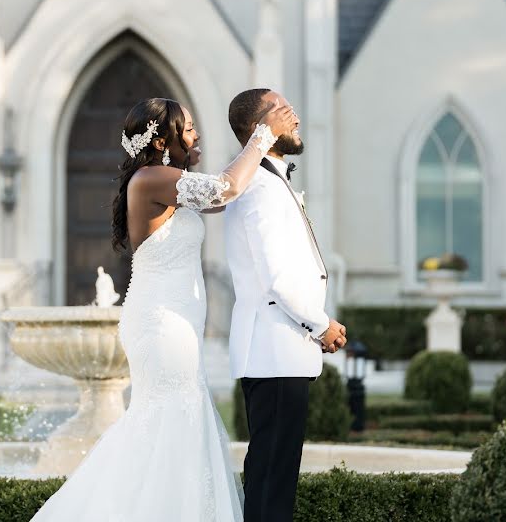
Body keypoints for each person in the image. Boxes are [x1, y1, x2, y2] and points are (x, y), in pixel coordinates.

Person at [28, 96, 297, 521]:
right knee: (171, 423)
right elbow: (225, 187)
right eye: (188, 128)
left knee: (178, 427)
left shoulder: (166, 180)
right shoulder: (151, 178)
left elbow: (224, 197)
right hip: (162, 323)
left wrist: (250, 156)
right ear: (162, 140)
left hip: (176, 322)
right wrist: (262, 135)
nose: (196, 135)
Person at [224, 88, 347, 522]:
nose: (294, 116)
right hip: (275, 351)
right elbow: (278, 278)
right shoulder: (259, 187)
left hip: (280, 352)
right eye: (282, 109)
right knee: (272, 482)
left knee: (270, 477)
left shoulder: (267, 181)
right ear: (261, 127)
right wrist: (321, 325)